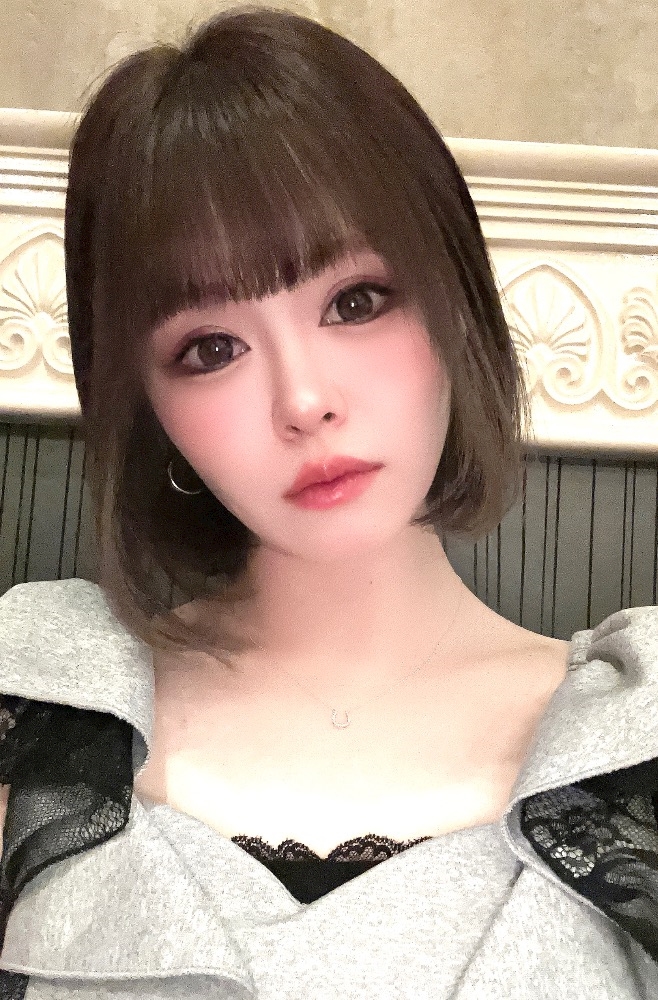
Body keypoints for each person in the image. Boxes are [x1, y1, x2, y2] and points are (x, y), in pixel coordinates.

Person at [0, 4, 657, 997]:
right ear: (151, 407)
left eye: (356, 300)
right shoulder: (42, 710)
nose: (303, 400)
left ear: (454, 300)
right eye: (210, 349)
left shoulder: (634, 734)